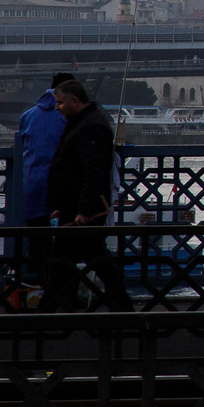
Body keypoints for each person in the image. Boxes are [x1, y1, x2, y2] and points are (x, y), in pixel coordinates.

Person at [41, 79, 132, 311]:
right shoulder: (84, 122)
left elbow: (94, 172)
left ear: (75, 100)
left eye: (60, 102)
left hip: (83, 211)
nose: (57, 107)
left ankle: (44, 312)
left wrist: (84, 209)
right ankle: (122, 307)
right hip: (76, 207)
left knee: (72, 261)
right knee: (83, 261)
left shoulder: (90, 125)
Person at [12, 72, 73, 229]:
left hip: (33, 188)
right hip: (63, 191)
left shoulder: (27, 116)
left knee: (36, 243)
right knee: (65, 245)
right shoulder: (69, 116)